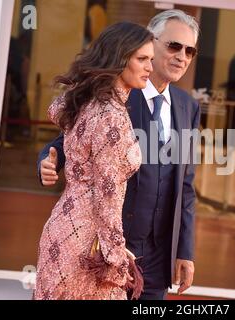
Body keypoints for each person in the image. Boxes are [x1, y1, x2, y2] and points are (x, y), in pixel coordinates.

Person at [37, 9, 200, 300]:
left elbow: (185, 186)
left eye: (190, 50)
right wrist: (47, 162)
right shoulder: (117, 92)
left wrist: (184, 250)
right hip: (104, 247)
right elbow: (69, 140)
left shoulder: (188, 107)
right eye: (174, 46)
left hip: (158, 253)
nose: (182, 56)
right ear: (150, 41)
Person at [33, 22, 154, 300]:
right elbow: (107, 194)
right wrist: (115, 257)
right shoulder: (112, 116)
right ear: (119, 58)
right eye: (142, 59)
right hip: (85, 245)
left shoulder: (87, 102)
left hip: (62, 227)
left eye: (151, 59)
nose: (150, 67)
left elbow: (57, 109)